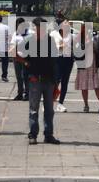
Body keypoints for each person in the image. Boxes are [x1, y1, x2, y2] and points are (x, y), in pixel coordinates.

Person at [22, 16, 61, 144]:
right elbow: (20, 57)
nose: (39, 30)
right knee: (34, 109)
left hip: (49, 81)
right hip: (35, 80)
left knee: (49, 110)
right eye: (37, 28)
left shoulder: (50, 41)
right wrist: (28, 70)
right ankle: (33, 135)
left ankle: (48, 135)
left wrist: (56, 82)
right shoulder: (29, 41)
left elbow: (55, 62)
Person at [74, 23, 99, 112]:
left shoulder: (94, 39)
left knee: (96, 86)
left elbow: (98, 52)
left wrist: (92, 44)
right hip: (83, 65)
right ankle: (86, 105)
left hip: (92, 65)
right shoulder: (78, 39)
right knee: (83, 86)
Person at [10, 17, 30, 102]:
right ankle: (20, 93)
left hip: (26, 57)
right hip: (16, 57)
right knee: (19, 77)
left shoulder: (30, 33)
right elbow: (12, 44)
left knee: (25, 76)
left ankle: (27, 94)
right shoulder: (15, 34)